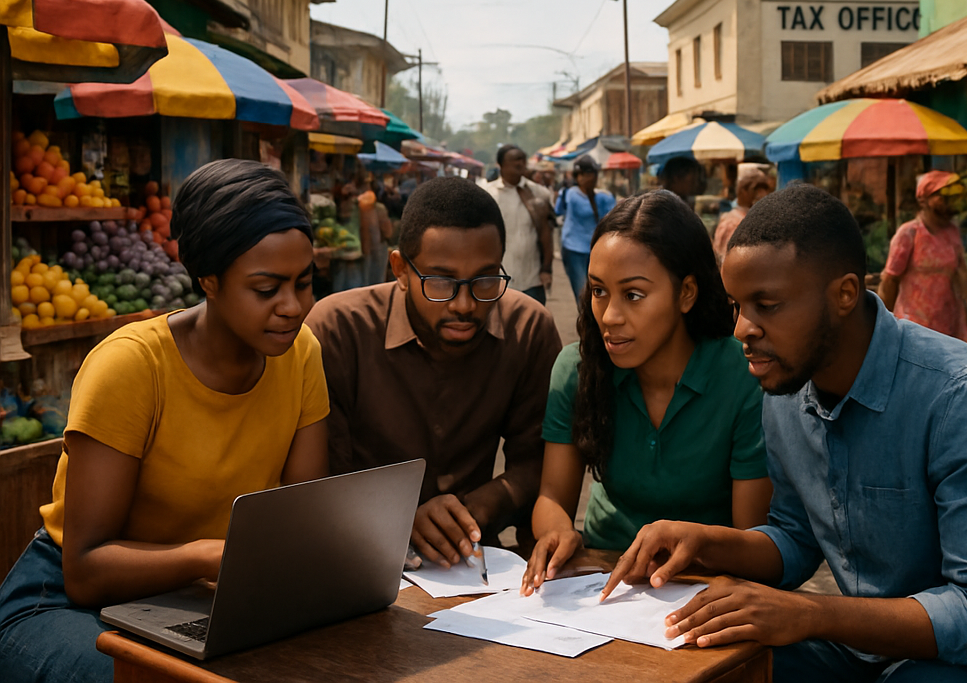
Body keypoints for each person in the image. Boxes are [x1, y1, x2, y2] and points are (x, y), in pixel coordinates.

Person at [602, 184, 967, 681]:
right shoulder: (785, 388)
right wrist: (706, 542)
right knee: (699, 662)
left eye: (767, 305)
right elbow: (796, 535)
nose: (742, 329)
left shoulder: (966, 399)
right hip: (854, 649)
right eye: (738, 305)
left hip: (962, 662)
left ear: (845, 294)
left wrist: (810, 613)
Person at [0, 160, 329, 683]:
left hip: (202, 599)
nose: (292, 307)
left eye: (305, 283)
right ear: (209, 280)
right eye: (266, 289)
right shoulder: (131, 366)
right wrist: (206, 557)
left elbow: (298, 517)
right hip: (63, 604)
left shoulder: (301, 353)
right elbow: (85, 571)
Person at [521, 190, 771, 594]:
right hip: (598, 578)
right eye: (599, 291)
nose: (610, 316)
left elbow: (753, 539)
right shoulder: (577, 369)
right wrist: (557, 532)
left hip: (707, 584)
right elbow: (552, 494)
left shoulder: (743, 377)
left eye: (633, 295)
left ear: (686, 293)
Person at [305, 176, 562, 568]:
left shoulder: (528, 328)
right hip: (353, 556)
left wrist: (475, 507)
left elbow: (539, 464)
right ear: (400, 270)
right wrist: (399, 517)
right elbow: (320, 481)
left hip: (473, 558)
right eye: (440, 281)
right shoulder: (338, 330)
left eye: (485, 279)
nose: (464, 304)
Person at [879, 170, 967, 343]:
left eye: (952, 198)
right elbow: (890, 280)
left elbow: (961, 275)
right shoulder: (909, 233)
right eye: (942, 197)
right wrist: (883, 325)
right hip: (913, 328)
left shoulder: (952, 232)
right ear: (923, 200)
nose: (949, 204)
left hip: (949, 328)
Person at [479, 144, 554, 305]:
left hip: (532, 279)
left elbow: (546, 233)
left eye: (522, 159)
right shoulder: (487, 194)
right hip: (499, 279)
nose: (521, 164)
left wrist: (547, 269)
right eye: (515, 160)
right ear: (501, 165)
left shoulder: (539, 193)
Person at [555, 155, 616, 299]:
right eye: (586, 174)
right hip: (573, 248)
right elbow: (560, 210)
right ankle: (586, 320)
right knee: (582, 292)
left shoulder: (603, 197)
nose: (591, 178)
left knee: (599, 291)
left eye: (593, 174)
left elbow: (612, 216)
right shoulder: (571, 194)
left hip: (596, 248)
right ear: (578, 176)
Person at [711, 163, 772, 264]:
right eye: (756, 189)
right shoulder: (731, 222)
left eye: (764, 189)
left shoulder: (760, 218)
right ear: (742, 191)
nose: (761, 194)